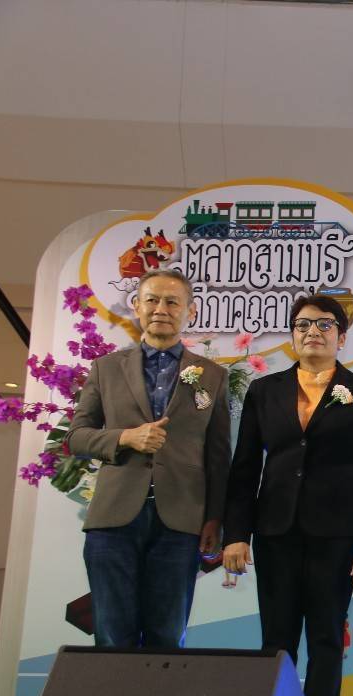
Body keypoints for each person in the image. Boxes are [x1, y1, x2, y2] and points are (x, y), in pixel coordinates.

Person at [223, 294, 353, 696]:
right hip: (274, 531)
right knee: (275, 641)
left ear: (342, 336)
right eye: (302, 325)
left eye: (324, 325)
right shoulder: (265, 390)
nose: (312, 333)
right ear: (292, 335)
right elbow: (244, 467)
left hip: (337, 535)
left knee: (325, 640)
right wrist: (236, 534)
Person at [67, 268, 229, 649]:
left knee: (167, 639)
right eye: (152, 300)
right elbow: (76, 437)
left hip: (181, 521)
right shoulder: (106, 368)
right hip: (113, 520)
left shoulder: (213, 376)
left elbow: (219, 456)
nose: (161, 309)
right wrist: (126, 437)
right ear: (136, 306)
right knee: (111, 637)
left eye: (172, 302)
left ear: (190, 311)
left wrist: (215, 518)